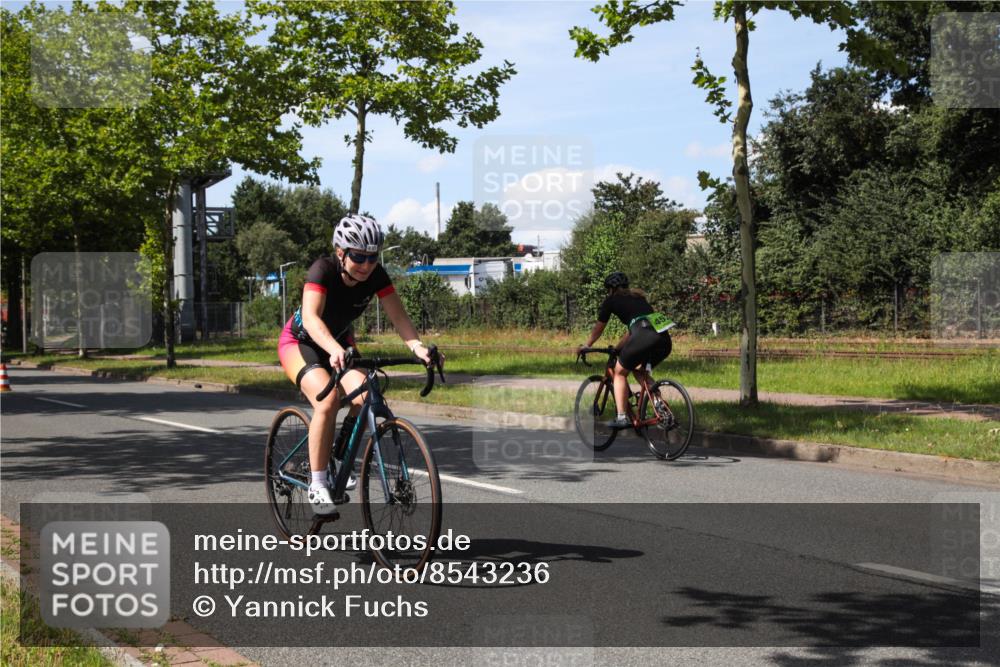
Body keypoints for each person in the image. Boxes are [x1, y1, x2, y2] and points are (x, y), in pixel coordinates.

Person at [278, 214, 436, 515]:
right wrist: (334, 348)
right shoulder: (322, 270)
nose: (366, 265)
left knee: (366, 393)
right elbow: (311, 318)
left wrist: (417, 346)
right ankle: (318, 482)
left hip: (339, 344)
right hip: (301, 343)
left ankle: (337, 454)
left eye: (372, 257)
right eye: (359, 257)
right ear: (341, 252)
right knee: (328, 401)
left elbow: (398, 316)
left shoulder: (376, 275)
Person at [576, 271, 672, 428]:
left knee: (619, 372)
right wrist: (618, 348)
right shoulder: (639, 298)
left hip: (643, 336)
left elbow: (599, 328)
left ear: (611, 289)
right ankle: (659, 405)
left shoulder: (611, 300)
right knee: (639, 370)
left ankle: (622, 417)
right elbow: (634, 328)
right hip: (663, 339)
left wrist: (587, 345)